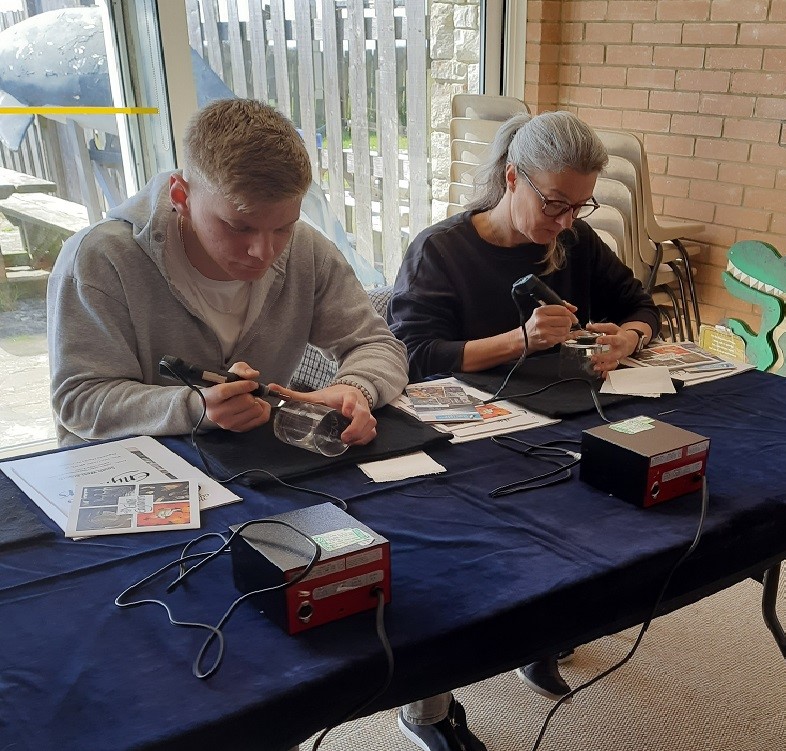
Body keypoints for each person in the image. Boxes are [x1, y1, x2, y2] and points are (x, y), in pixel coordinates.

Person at [388, 110, 659, 751]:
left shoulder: (572, 242)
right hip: (465, 438)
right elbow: (412, 355)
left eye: (580, 207)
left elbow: (640, 303)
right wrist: (518, 340)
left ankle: (543, 635)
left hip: (557, 418)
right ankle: (429, 710)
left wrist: (628, 337)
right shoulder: (442, 248)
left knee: (589, 524)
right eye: (556, 205)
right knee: (448, 566)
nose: (567, 223)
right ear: (512, 177)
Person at [47, 98, 408, 447]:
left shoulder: (306, 249)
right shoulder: (98, 259)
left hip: (251, 466)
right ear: (181, 197)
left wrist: (355, 389)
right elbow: (79, 400)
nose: (264, 253)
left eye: (284, 227)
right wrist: (196, 407)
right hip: (125, 477)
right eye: (239, 227)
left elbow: (376, 344)